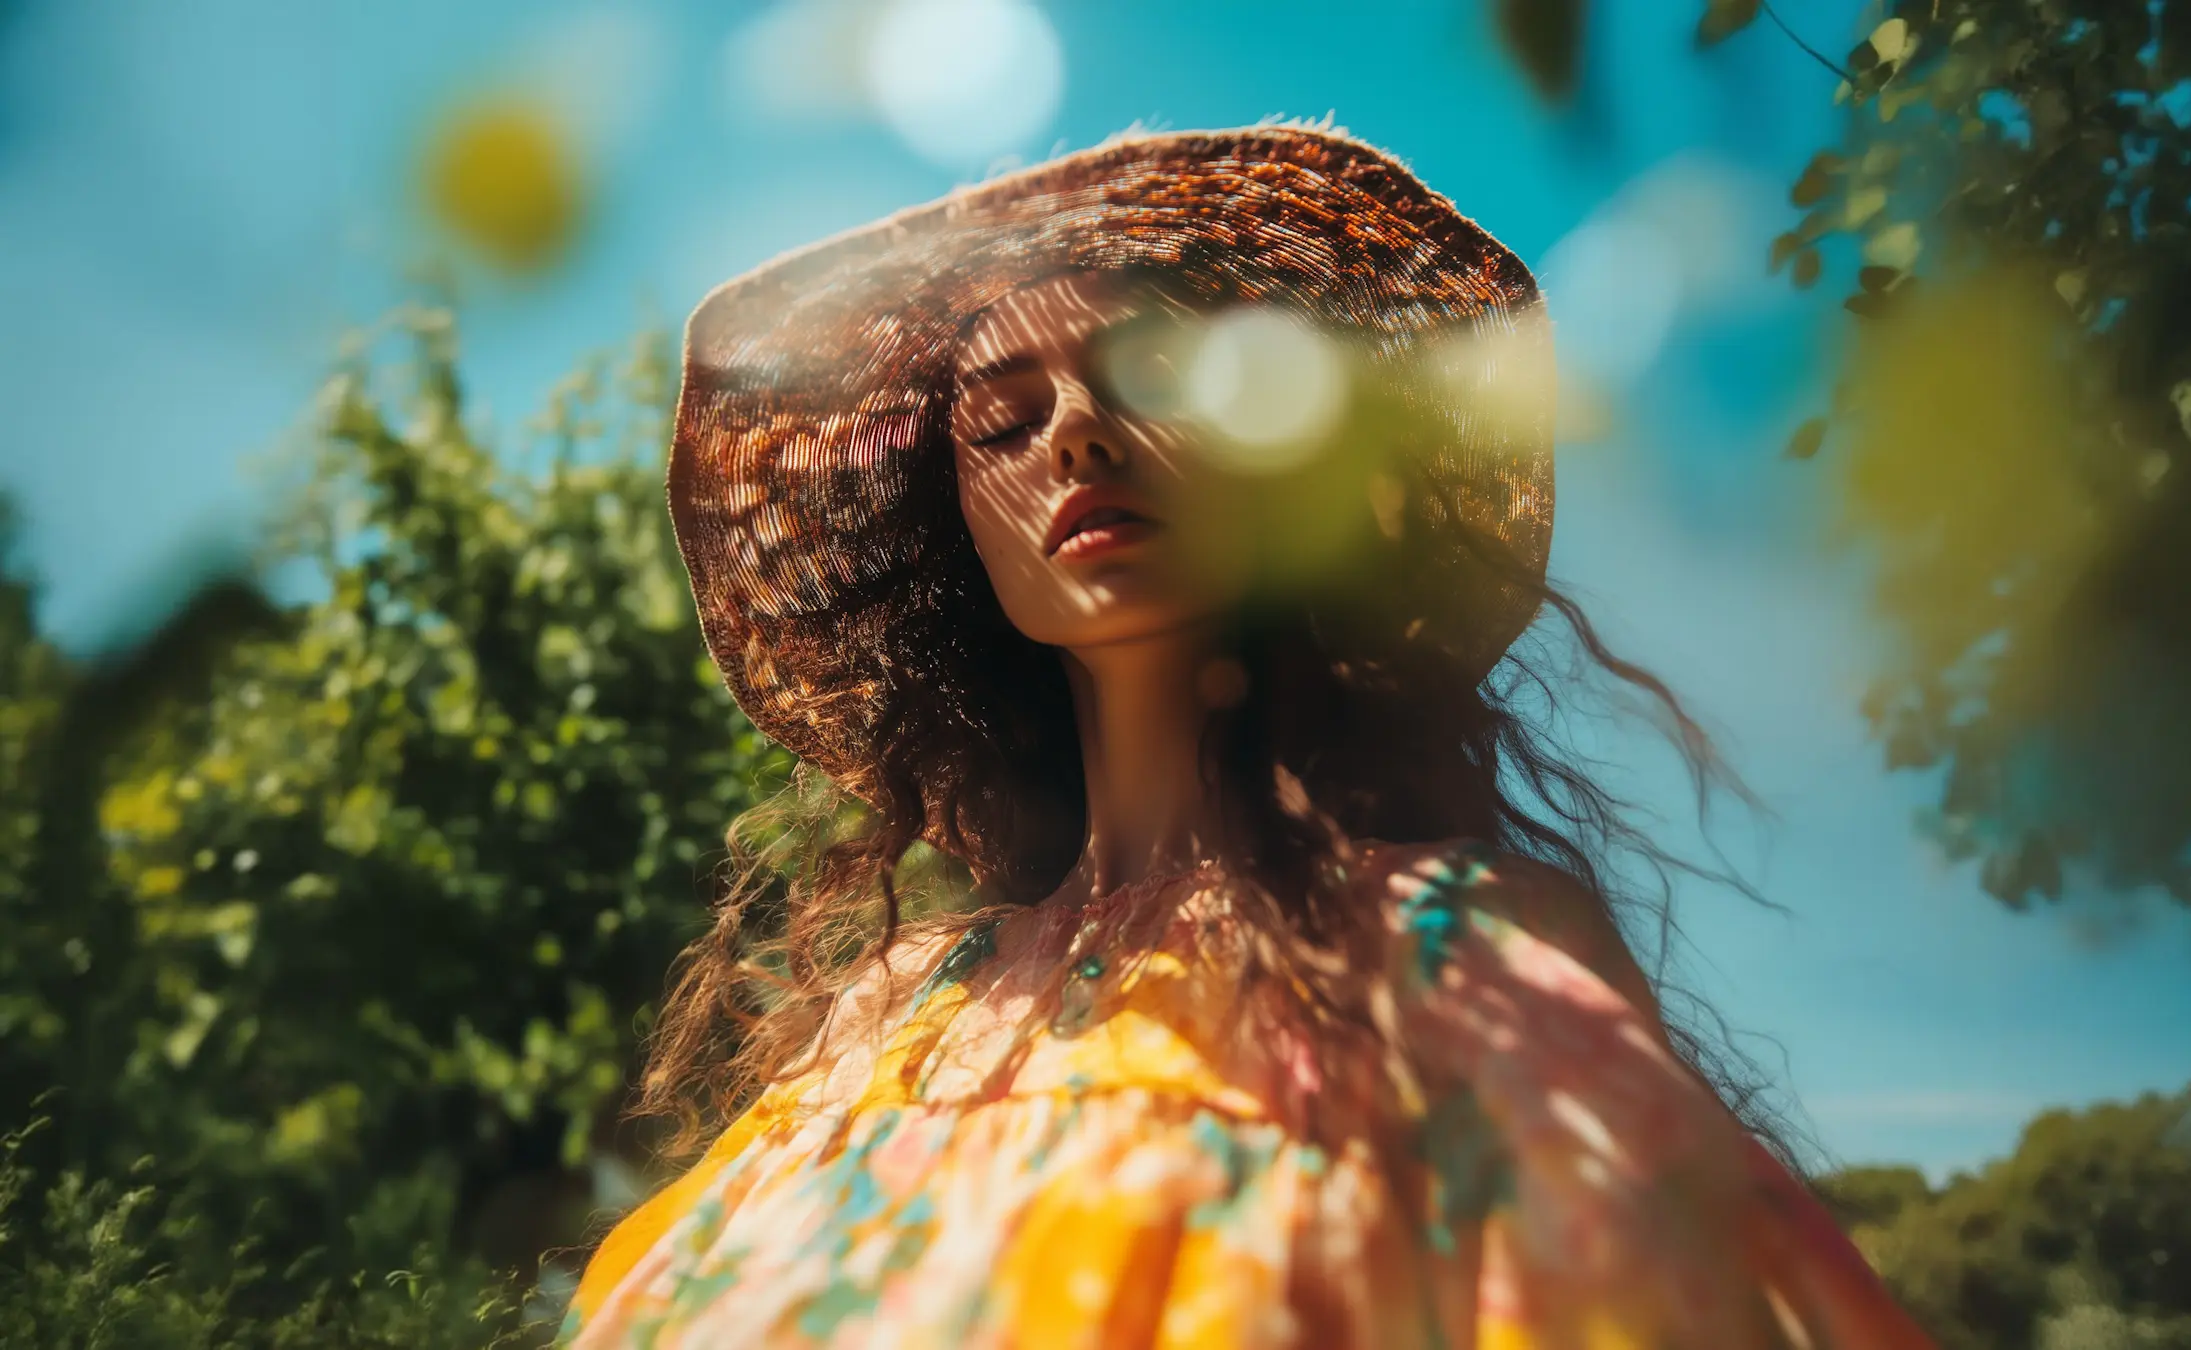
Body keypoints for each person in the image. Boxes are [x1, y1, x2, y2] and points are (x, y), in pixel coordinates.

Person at [562, 125, 1932, 1348]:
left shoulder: (1452, 943)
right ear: (957, 539)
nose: (1081, 438)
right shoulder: (896, 1008)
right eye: (1006, 421)